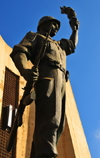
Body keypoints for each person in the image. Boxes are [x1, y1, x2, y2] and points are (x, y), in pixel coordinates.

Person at [10, 6, 79, 158]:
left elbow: (72, 45)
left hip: (61, 81)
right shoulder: (35, 36)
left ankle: (38, 154)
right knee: (50, 120)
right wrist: (24, 70)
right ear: (44, 25)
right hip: (47, 79)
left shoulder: (59, 45)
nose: (56, 27)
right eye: (54, 24)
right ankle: (47, 155)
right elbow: (20, 51)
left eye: (58, 26)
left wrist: (74, 25)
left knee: (58, 126)